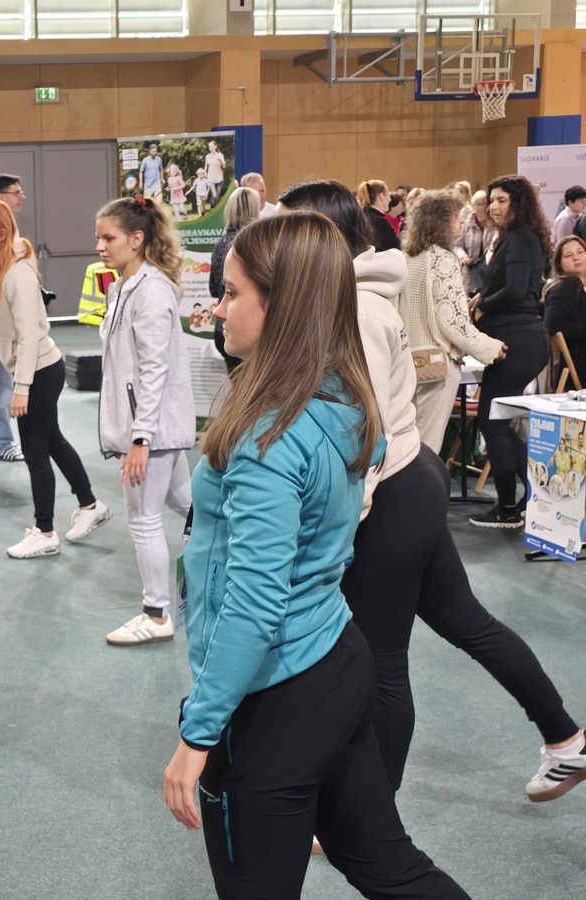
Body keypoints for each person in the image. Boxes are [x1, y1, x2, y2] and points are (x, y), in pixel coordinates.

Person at [163, 211, 469, 899]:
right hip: (334, 656)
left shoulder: (267, 439)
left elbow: (254, 602)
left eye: (232, 293)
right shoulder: (339, 394)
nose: (219, 309)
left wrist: (197, 734)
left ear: (282, 306)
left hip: (276, 694)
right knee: (388, 865)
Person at [279, 180, 586, 804]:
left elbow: (360, 436)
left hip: (391, 491)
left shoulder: (355, 310)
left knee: (383, 659)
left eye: (284, 229)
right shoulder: (344, 299)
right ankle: (566, 739)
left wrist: (340, 527)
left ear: (318, 236)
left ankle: (371, 818)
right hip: (407, 478)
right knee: (464, 620)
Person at [0, 200, 110, 558]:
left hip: (41, 372)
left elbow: (29, 336)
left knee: (34, 451)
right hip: (29, 371)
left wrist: (21, 389)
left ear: (1, 234)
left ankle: (45, 532)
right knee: (52, 441)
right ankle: (90, 505)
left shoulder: (19, 275)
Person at [94, 196, 194, 645]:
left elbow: (154, 370)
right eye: (99, 238)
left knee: (143, 520)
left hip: (153, 432)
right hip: (156, 430)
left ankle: (156, 616)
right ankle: (234, 560)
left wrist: (140, 439)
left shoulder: (151, 291)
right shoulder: (121, 288)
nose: (100, 246)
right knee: (191, 506)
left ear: (136, 239)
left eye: (108, 238)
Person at [468, 174, 551, 528]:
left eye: (502, 200)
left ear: (519, 204)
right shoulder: (517, 238)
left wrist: (482, 304)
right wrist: (482, 298)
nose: (494, 206)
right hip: (514, 341)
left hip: (518, 340)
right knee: (497, 423)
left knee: (493, 423)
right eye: (492, 200)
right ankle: (531, 499)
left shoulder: (520, 238)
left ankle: (508, 508)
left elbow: (516, 291)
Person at [399, 189, 506, 452]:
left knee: (407, 443)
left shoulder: (407, 258)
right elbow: (453, 323)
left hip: (406, 364)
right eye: (456, 215)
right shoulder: (442, 259)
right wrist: (491, 348)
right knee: (427, 446)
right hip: (436, 366)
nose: (461, 221)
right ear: (440, 221)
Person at [0, 174, 28, 464]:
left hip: (8, 321)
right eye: (16, 192)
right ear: (2, 197)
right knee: (1, 385)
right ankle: (1, 442)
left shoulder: (9, 229)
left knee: (0, 382)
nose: (22, 197)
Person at [208, 186, 261, 371]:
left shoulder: (219, 245)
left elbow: (213, 288)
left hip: (222, 331)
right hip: (241, 332)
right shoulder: (253, 250)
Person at [544, 235, 586, 384]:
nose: (576, 257)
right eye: (568, 255)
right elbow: (552, 324)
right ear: (560, 264)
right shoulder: (564, 287)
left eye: (580, 252)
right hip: (577, 363)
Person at [454, 189, 496, 296]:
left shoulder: (495, 224)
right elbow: (457, 246)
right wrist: (463, 256)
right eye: (478, 204)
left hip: (488, 270)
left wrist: (492, 249)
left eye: (484, 204)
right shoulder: (466, 224)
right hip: (470, 271)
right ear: (473, 207)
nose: (482, 208)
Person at [357, 179, 401, 251]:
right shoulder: (380, 221)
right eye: (388, 195)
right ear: (381, 196)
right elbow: (397, 246)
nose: (390, 199)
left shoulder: (361, 216)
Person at [203, 140, 225, 205]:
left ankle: (215, 208)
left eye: (212, 146)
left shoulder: (220, 155)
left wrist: (220, 161)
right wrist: (205, 172)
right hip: (211, 178)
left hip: (219, 178)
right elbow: (206, 165)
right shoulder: (207, 156)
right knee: (214, 195)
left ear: (215, 146)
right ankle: (213, 207)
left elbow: (224, 166)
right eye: (209, 147)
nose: (211, 148)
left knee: (217, 196)